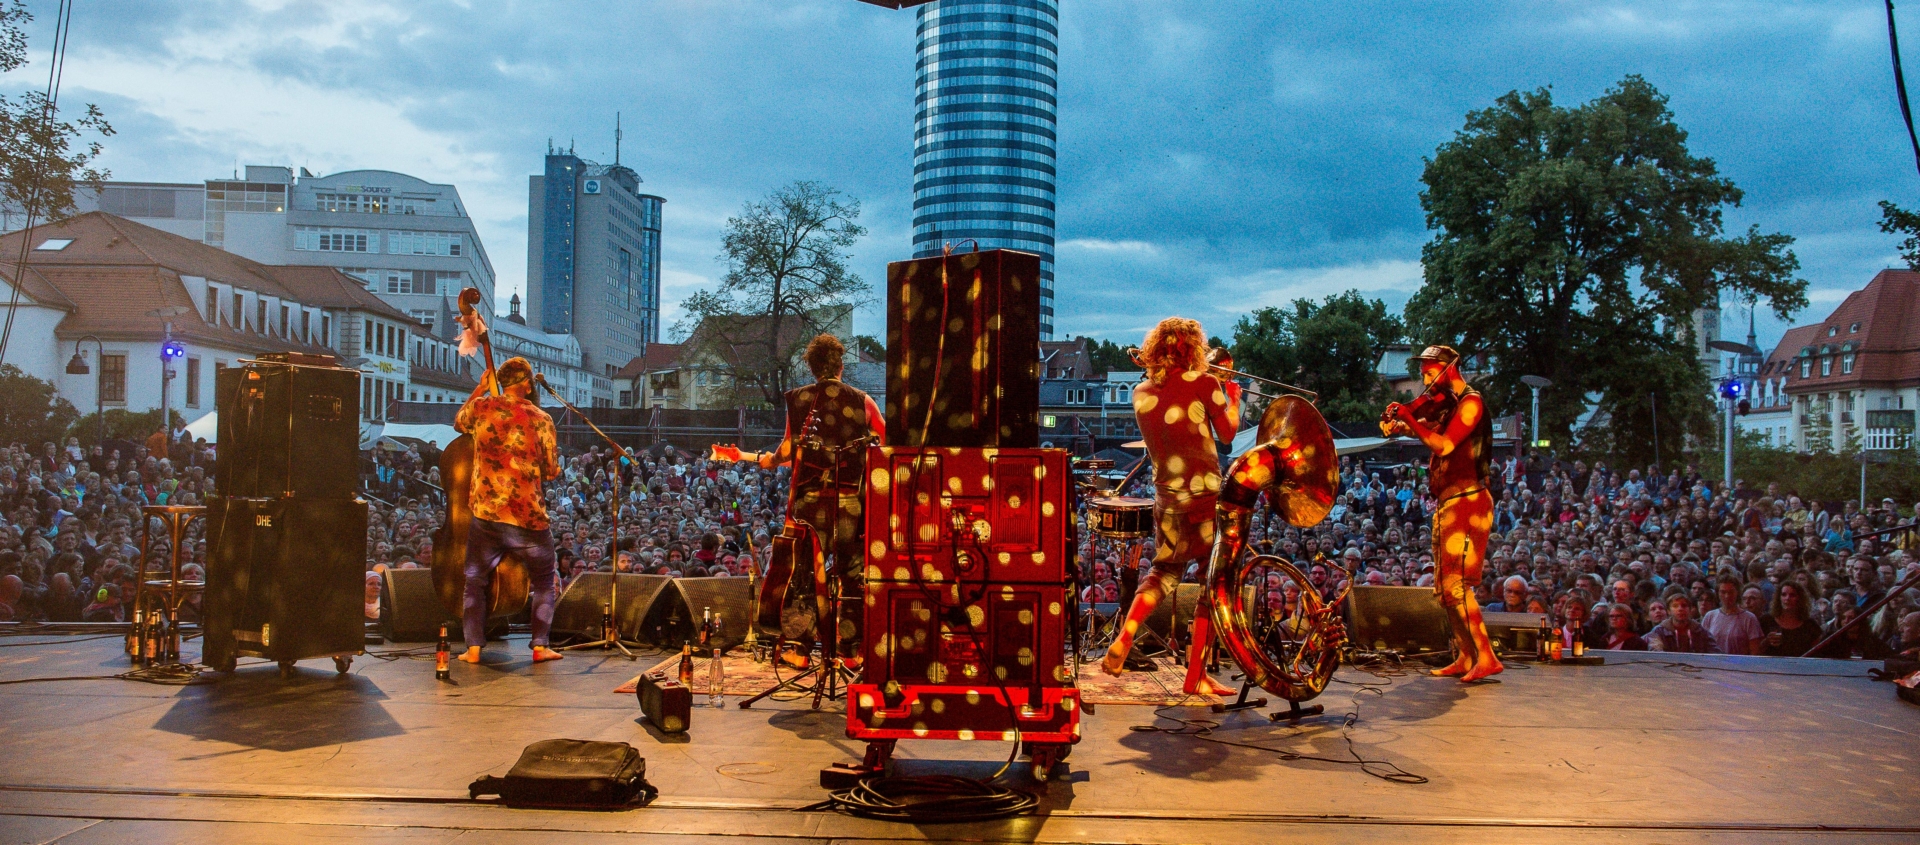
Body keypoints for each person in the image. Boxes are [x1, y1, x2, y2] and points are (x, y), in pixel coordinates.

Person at [1102, 317, 1241, 696]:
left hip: (1167, 498)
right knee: (1213, 582)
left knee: (1162, 574)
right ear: (1193, 348)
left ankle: (1125, 636)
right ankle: (1195, 675)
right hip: (1206, 497)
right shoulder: (1207, 384)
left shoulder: (1140, 392)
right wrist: (1234, 399)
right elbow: (1228, 434)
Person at [749, 334, 883, 662]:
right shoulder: (862, 400)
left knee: (805, 573)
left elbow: (785, 450)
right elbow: (885, 441)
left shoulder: (798, 399)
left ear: (811, 369)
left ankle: (799, 649)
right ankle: (851, 652)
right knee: (852, 574)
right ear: (840, 365)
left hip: (810, 502)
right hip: (849, 501)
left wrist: (762, 460)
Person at [1381, 345, 1501, 682]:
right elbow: (1429, 434)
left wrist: (1410, 422)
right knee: (1445, 588)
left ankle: (1486, 656)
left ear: (1448, 368)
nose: (1424, 377)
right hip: (1450, 501)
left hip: (1469, 500)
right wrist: (1400, 425)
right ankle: (1465, 654)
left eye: (1429, 369)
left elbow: (1445, 445)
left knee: (1456, 584)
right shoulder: (1448, 405)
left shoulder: (1471, 403)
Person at [452, 356, 563, 665]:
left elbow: (459, 422)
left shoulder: (482, 408)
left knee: (475, 580)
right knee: (543, 581)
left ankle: (473, 648)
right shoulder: (540, 418)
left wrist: (478, 389)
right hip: (527, 516)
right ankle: (540, 645)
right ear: (527, 384)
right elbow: (551, 470)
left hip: (486, 513)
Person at [1701, 575, 1764, 656]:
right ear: (1718, 593)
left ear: (1737, 593)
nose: (1727, 596)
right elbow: (1702, 645)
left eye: (1731, 592)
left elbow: (1755, 652)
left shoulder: (1749, 618)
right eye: (1723, 592)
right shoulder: (1710, 616)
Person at [1761, 581, 1820, 657]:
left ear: (1800, 598)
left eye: (1792, 595)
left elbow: (1817, 652)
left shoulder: (1810, 625)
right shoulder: (1766, 620)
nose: (1787, 598)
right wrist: (1767, 641)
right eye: (1783, 594)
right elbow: (1755, 651)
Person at [1647, 594, 1716, 653]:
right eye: (1675, 606)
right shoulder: (1658, 632)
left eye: (1684, 606)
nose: (1680, 609)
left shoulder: (1701, 632)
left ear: (1690, 609)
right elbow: (1655, 655)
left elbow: (1716, 654)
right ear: (1668, 611)